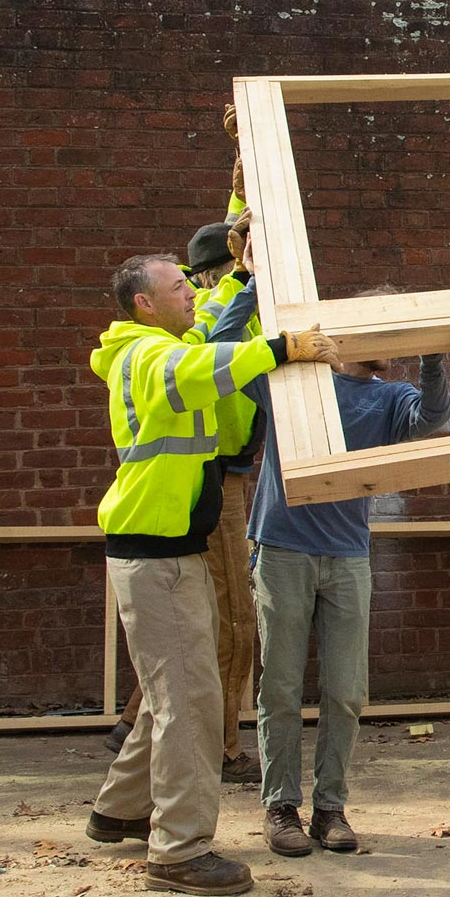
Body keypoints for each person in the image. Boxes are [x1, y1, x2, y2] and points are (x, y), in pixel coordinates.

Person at [84, 253, 337, 896]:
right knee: (192, 705)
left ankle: (120, 810)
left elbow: (212, 327)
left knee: (168, 693)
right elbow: (203, 365)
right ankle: (179, 850)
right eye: (179, 287)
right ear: (145, 303)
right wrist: (280, 347)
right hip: (157, 555)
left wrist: (247, 275)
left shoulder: (161, 341)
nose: (191, 293)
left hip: (169, 551)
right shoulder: (147, 356)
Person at [209, 263, 450, 857]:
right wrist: (248, 285)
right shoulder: (291, 377)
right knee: (282, 689)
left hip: (347, 555)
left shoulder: (392, 397)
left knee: (345, 691)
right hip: (284, 548)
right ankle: (280, 807)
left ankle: (331, 809)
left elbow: (434, 418)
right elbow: (217, 356)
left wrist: (432, 353)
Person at [106, 109, 263, 784]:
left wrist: (242, 155)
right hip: (209, 486)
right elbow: (236, 263)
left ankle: (136, 724)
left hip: (210, 487)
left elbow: (244, 236)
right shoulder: (193, 332)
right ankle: (222, 745)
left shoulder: (194, 317)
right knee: (229, 626)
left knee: (200, 629)